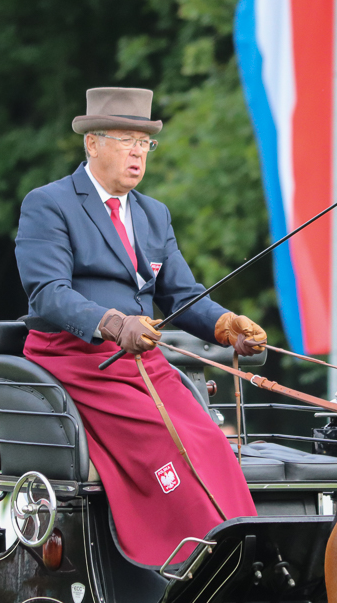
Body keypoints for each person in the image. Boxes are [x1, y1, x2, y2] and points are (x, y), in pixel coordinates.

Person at [15, 87, 266, 566]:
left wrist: (225, 326)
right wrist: (111, 323)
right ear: (92, 143)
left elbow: (181, 295)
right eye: (126, 140)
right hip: (78, 360)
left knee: (210, 441)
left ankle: (245, 555)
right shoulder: (49, 204)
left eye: (145, 142)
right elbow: (48, 293)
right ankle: (190, 562)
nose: (138, 153)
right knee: (166, 442)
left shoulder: (153, 213)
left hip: (142, 359)